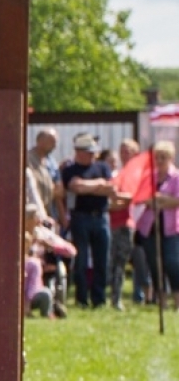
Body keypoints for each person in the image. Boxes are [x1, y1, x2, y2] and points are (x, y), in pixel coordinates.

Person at [59, 132, 116, 309]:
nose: (92, 155)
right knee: (81, 260)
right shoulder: (69, 170)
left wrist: (88, 185)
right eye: (88, 152)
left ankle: (99, 298)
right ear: (79, 152)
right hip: (80, 217)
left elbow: (110, 189)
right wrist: (98, 185)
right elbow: (75, 187)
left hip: (101, 217)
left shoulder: (102, 167)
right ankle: (81, 298)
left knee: (102, 260)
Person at [137, 141, 179, 310]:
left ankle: (177, 299)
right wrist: (159, 200)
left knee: (172, 263)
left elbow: (176, 200)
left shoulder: (176, 177)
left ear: (171, 158)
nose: (160, 161)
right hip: (150, 228)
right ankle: (161, 301)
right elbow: (143, 198)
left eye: (163, 157)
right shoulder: (149, 177)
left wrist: (159, 200)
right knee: (155, 265)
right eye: (157, 157)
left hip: (170, 229)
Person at [109, 137, 143, 310]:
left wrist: (115, 201)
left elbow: (133, 197)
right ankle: (110, 296)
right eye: (122, 150)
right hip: (111, 223)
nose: (124, 154)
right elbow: (109, 195)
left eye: (128, 150)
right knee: (112, 262)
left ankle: (119, 298)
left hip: (127, 223)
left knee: (123, 261)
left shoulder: (137, 174)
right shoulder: (116, 174)